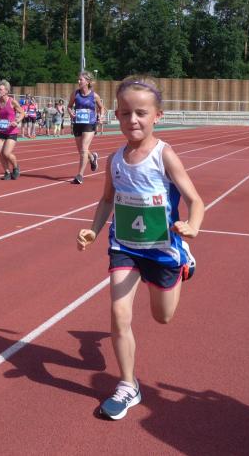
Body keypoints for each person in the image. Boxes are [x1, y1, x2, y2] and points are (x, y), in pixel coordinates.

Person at [76, 75, 204, 420]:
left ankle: (183, 260)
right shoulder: (115, 160)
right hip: (125, 246)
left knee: (163, 317)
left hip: (162, 249)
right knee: (119, 313)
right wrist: (93, 231)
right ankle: (128, 385)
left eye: (141, 113)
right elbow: (107, 199)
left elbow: (195, 200)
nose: (132, 119)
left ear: (157, 116)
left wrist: (192, 226)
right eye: (125, 113)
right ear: (116, 115)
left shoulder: (165, 156)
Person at [68, 71, 104, 184]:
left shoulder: (94, 95)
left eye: (81, 80)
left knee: (84, 149)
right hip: (78, 123)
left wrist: (101, 116)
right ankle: (92, 158)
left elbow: (101, 107)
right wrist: (71, 113)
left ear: (87, 82)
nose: (78, 81)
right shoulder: (75, 94)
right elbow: (69, 106)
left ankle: (80, 175)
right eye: (78, 79)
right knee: (81, 150)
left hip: (90, 123)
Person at [0, 79, 24, 180]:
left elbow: (22, 113)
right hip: (1, 130)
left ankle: (15, 167)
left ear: (6, 91)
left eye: (1, 89)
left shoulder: (12, 101)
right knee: (0, 153)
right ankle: (7, 172)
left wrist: (17, 121)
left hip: (11, 131)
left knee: (6, 153)